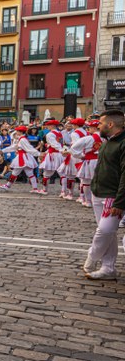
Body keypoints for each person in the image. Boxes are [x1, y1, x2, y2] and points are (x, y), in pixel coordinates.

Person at [84, 110, 125, 280]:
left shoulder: (122, 143)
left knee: (105, 230)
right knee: (109, 233)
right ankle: (108, 267)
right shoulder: (107, 142)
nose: (97, 126)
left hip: (113, 195)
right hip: (99, 192)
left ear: (110, 124)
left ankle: (91, 258)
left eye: (100, 123)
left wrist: (119, 202)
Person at [0, 125, 42, 193]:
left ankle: (7, 186)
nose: (16, 132)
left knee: (17, 173)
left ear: (20, 132)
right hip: (24, 157)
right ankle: (35, 188)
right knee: (27, 173)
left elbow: (29, 149)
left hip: (23, 157)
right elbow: (14, 147)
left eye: (17, 131)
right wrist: (3, 150)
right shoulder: (21, 139)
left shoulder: (22, 140)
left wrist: (39, 154)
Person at [71, 120, 101, 208]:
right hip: (102, 161)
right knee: (99, 181)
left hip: (90, 161)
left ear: (94, 128)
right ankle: (98, 200)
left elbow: (73, 148)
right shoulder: (107, 138)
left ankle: (88, 201)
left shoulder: (87, 138)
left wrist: (81, 156)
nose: (88, 129)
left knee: (86, 181)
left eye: (89, 128)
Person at [58, 118, 88, 200]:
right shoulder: (86, 132)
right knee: (82, 177)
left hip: (75, 156)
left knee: (70, 176)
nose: (72, 126)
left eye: (73, 124)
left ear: (76, 125)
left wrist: (67, 151)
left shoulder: (74, 133)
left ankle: (70, 194)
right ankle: (82, 196)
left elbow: (76, 146)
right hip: (83, 155)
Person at [38, 120, 64, 195]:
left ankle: (44, 190)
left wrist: (60, 150)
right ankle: (63, 191)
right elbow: (59, 144)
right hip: (59, 154)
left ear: (52, 126)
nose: (47, 126)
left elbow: (54, 144)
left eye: (48, 125)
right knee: (62, 173)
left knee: (47, 173)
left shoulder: (50, 134)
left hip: (53, 155)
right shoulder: (59, 133)